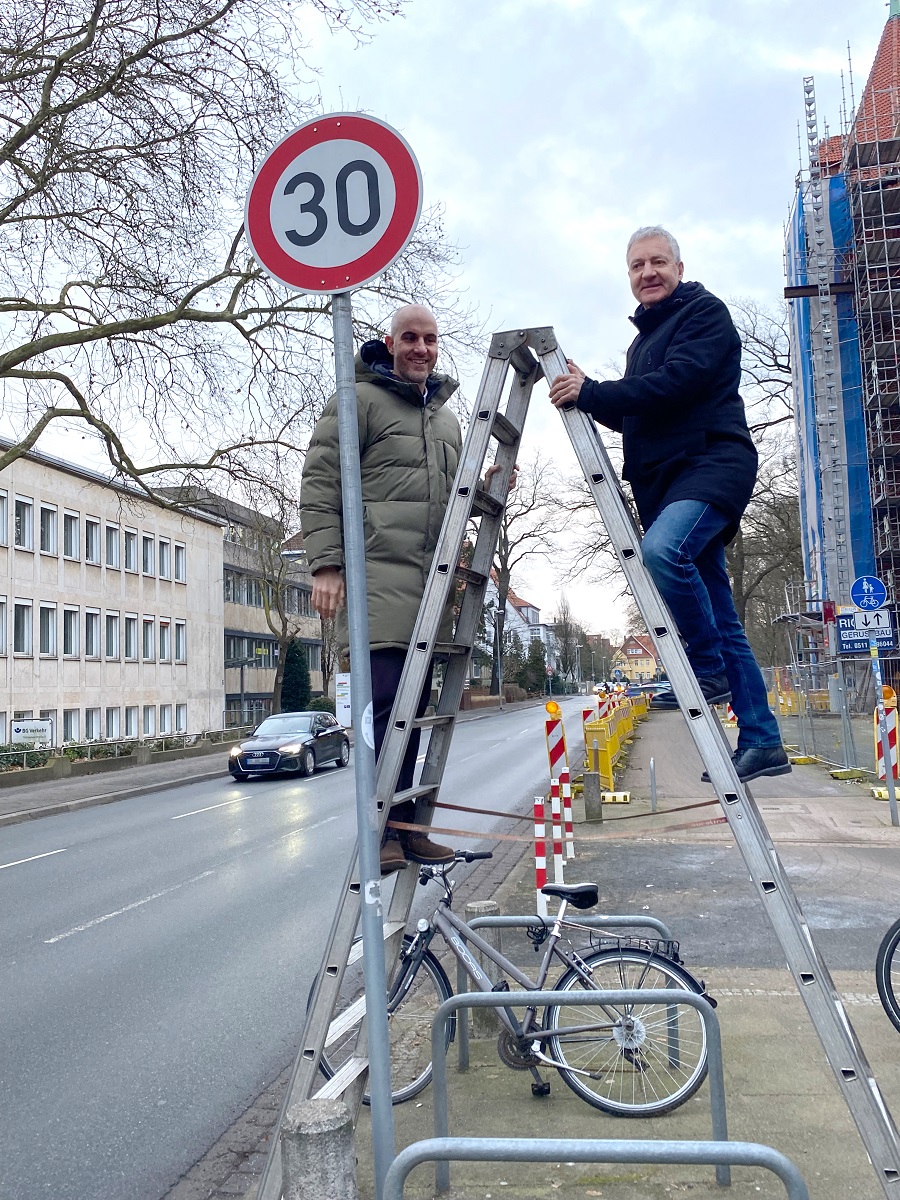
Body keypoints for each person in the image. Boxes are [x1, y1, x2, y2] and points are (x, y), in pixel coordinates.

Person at [548, 226, 790, 784]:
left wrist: (594, 391)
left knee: (662, 551)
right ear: (628, 276)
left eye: (658, 262)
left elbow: (678, 385)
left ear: (679, 267)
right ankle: (762, 738)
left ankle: (705, 670)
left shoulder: (703, 313)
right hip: (666, 484)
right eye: (637, 266)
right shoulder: (643, 341)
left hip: (709, 467)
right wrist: (591, 395)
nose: (647, 273)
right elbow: (641, 411)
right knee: (724, 619)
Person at [301, 304, 514, 872]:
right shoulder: (359, 401)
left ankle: (410, 828)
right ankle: (380, 835)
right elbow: (321, 477)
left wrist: (485, 483)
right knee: (385, 710)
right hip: (374, 583)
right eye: (410, 338)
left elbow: (446, 500)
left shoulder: (446, 420)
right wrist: (325, 563)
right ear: (389, 343)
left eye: (430, 339)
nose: (421, 348)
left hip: (428, 591)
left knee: (415, 712)